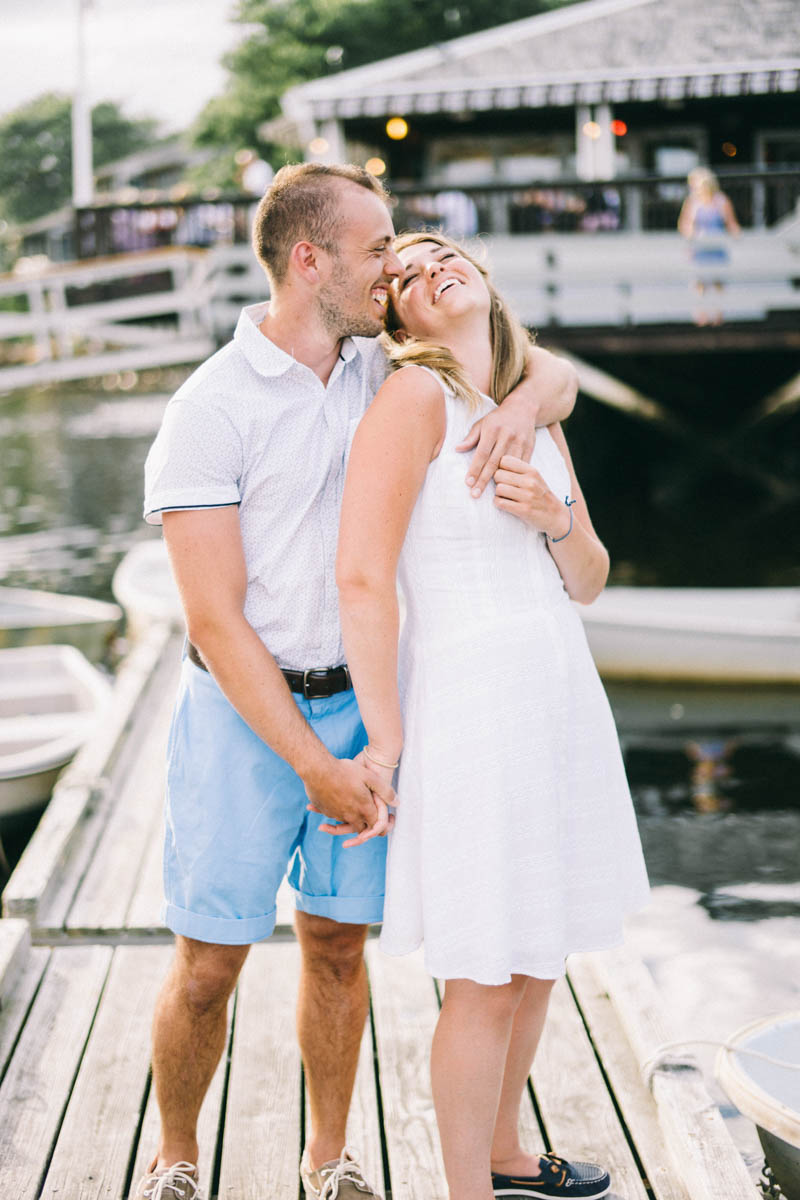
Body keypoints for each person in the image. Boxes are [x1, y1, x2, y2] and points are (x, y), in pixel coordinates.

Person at [137, 163, 579, 1200]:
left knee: (336, 947)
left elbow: (543, 366)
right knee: (208, 961)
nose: (394, 265)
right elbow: (212, 617)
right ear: (310, 260)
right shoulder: (208, 409)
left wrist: (522, 407)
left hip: (366, 703)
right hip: (244, 710)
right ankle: (173, 1157)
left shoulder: (383, 368)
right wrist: (311, 763)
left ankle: (328, 1155)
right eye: (377, 246)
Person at [335, 231, 651, 1200]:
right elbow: (360, 577)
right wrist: (386, 739)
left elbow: (589, 577)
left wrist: (549, 519)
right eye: (403, 279)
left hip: (557, 694)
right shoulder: (411, 398)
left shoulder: (529, 410)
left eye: (439, 254)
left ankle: (509, 1152)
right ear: (397, 323)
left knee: (538, 950)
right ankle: (464, 1190)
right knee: (481, 970)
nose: (428, 271)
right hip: (473, 704)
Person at [678, 167, 740, 326]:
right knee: (700, 283)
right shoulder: (693, 202)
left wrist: (736, 233)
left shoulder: (721, 200)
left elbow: (731, 222)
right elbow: (685, 224)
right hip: (700, 247)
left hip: (716, 246)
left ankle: (718, 315)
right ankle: (702, 315)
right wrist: (690, 234)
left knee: (718, 281)